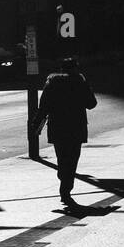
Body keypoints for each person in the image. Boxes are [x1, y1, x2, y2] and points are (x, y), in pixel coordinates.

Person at [34, 56, 98, 209]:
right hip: (76, 126)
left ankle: (63, 181)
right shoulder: (79, 82)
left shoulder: (52, 83)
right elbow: (92, 104)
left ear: (61, 68)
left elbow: (43, 106)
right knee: (72, 158)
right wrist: (86, 85)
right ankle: (66, 188)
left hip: (57, 126)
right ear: (75, 68)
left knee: (62, 158)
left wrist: (37, 124)